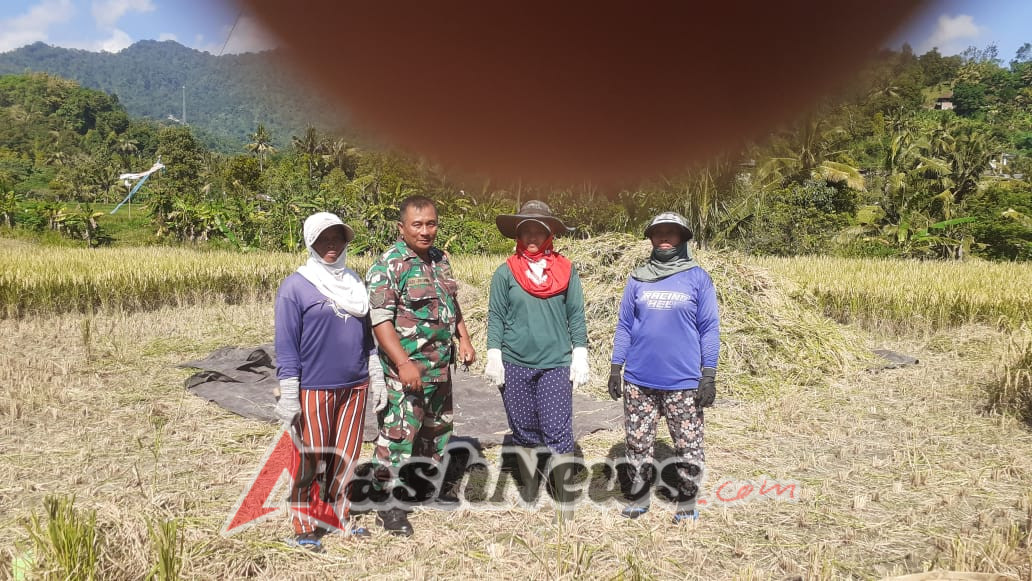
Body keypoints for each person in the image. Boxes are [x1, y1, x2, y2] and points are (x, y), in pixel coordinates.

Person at [273, 211, 388, 552]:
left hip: (354, 386)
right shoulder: (296, 287)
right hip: (314, 387)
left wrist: (376, 375)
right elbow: (286, 346)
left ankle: (341, 515)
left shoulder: (354, 284)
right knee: (312, 458)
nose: (331, 245)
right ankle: (304, 525)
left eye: (338, 238)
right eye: (324, 238)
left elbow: (368, 340)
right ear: (310, 241)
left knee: (347, 456)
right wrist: (290, 394)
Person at [365, 195, 476, 537]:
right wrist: (402, 363)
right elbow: (380, 321)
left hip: (439, 368)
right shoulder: (388, 266)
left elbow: (450, 303)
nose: (425, 231)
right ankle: (388, 504)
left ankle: (423, 487)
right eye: (417, 224)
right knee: (399, 437)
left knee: (436, 431)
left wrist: (465, 338)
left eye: (431, 223)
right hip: (407, 372)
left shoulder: (441, 260)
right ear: (402, 227)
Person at [608, 211, 720, 523]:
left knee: (688, 446)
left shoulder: (698, 278)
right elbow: (625, 326)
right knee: (637, 444)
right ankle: (639, 497)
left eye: (672, 233)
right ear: (651, 239)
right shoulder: (637, 278)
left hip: (683, 382)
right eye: (659, 234)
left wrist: (708, 374)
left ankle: (686, 502)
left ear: (683, 239)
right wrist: (616, 367)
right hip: (638, 380)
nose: (665, 239)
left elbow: (709, 328)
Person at [484, 200, 589, 488]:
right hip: (516, 362)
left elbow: (576, 314)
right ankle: (530, 485)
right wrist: (494, 353)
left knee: (556, 429)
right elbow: (496, 316)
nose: (532, 238)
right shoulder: (505, 273)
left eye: (538, 231)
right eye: (526, 231)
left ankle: (562, 490)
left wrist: (580, 351)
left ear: (549, 235)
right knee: (524, 429)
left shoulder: (566, 270)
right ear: (518, 235)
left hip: (555, 362)